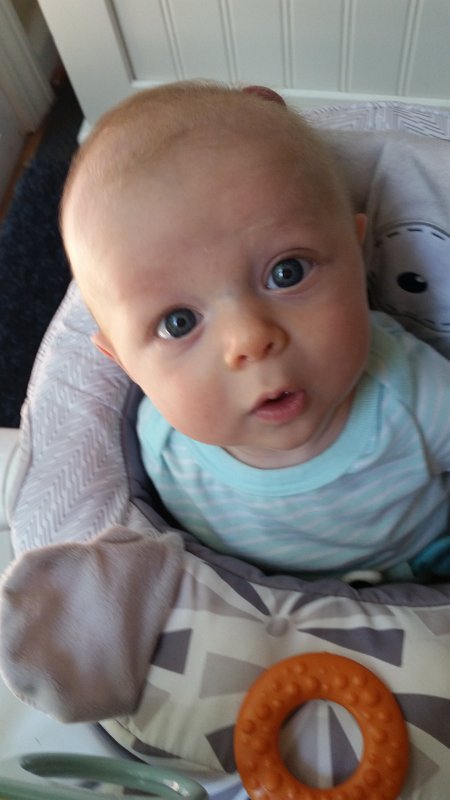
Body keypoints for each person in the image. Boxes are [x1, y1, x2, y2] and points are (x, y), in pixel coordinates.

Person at [60, 80, 450, 584]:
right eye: (179, 322)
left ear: (358, 257)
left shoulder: (414, 388)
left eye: (287, 273)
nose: (249, 339)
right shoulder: (162, 451)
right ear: (124, 363)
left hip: (425, 562)